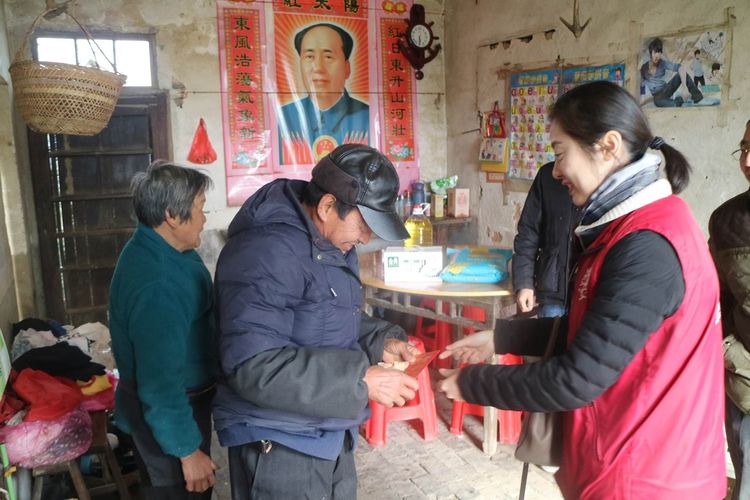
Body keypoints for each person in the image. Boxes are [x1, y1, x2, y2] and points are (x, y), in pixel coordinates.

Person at [438, 81, 726, 498]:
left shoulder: (647, 246)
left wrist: (471, 384)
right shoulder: (626, 228)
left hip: (647, 477)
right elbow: (593, 331)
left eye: (560, 153)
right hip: (623, 458)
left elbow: (576, 379)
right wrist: (500, 338)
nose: (555, 171)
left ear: (608, 146)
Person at [213, 144, 420, 499]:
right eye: (364, 224)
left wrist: (381, 340)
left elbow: (326, 313)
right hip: (281, 441)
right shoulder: (266, 253)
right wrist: (359, 379)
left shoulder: (329, 242)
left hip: (327, 425)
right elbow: (253, 366)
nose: (366, 238)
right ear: (326, 206)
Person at [109, 161, 218, 498]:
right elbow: (159, 383)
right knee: (178, 491)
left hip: (183, 404)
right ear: (172, 215)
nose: (204, 218)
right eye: (200, 208)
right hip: (167, 416)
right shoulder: (158, 284)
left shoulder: (169, 249)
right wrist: (187, 451)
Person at [709, 119, 750, 500]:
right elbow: (716, 296)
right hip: (745, 383)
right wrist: (729, 352)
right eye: (745, 148)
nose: (748, 161)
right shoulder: (728, 221)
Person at [278, 23, 370, 164]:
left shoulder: (368, 117)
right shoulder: (282, 118)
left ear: (347, 68)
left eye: (328, 57)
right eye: (309, 57)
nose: (318, 68)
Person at [512, 162, 579, 318]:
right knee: (548, 334)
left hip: (587, 292)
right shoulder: (547, 175)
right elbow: (528, 232)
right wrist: (524, 283)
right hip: (552, 290)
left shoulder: (603, 176)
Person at [640, 37, 703, 107]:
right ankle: (679, 101)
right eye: (655, 52)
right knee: (658, 101)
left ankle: (697, 96)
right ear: (651, 52)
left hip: (666, 89)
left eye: (659, 53)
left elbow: (680, 67)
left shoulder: (663, 63)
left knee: (682, 73)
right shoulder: (644, 68)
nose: (657, 56)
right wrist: (642, 99)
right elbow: (642, 83)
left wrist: (684, 87)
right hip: (657, 96)